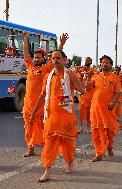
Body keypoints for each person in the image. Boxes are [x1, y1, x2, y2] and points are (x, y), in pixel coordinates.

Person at [30, 50, 86, 182]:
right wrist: (33, 112)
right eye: (53, 58)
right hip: (51, 117)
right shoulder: (48, 76)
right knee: (49, 143)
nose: (55, 60)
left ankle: (70, 164)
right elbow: (43, 95)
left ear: (65, 60)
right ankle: (47, 170)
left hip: (66, 117)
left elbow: (82, 90)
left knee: (68, 143)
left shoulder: (69, 74)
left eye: (58, 58)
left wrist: (73, 77)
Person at [22, 32, 68, 157]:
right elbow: (26, 53)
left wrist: (62, 44)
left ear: (43, 59)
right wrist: (25, 39)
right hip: (28, 105)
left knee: (45, 128)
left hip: (42, 105)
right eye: (35, 57)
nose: (36, 59)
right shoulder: (30, 66)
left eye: (38, 57)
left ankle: (48, 148)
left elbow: (56, 55)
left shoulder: (48, 68)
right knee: (28, 128)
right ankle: (31, 149)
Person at [88, 55, 122, 161]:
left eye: (107, 62)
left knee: (109, 130)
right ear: (100, 64)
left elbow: (118, 91)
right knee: (96, 130)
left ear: (110, 65)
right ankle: (99, 152)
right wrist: (88, 78)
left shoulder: (115, 77)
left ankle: (109, 146)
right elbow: (88, 89)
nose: (105, 64)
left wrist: (113, 102)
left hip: (108, 108)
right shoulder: (95, 76)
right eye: (103, 62)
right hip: (95, 108)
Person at [77, 57, 97, 133]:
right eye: (85, 60)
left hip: (91, 94)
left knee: (89, 112)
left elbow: (94, 82)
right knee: (81, 112)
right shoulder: (81, 70)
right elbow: (78, 81)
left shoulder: (94, 71)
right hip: (82, 95)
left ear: (91, 62)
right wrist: (81, 75)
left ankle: (88, 127)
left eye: (88, 61)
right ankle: (81, 127)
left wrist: (90, 75)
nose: (86, 62)